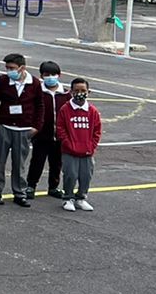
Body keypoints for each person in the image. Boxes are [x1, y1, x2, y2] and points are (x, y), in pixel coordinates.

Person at [0, 53, 42, 208]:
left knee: (19, 163)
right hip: (4, 127)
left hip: (24, 129)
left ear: (22, 68)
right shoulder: (2, 81)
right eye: (7, 68)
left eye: (12, 68)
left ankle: (19, 193)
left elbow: (40, 106)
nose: (9, 71)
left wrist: (36, 127)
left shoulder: (33, 83)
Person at [57, 78, 101, 212]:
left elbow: (97, 131)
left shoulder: (92, 111)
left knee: (86, 175)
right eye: (76, 91)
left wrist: (91, 146)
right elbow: (60, 129)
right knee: (70, 174)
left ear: (88, 92)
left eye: (83, 91)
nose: (80, 93)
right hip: (70, 151)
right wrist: (68, 144)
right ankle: (68, 198)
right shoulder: (65, 109)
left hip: (87, 151)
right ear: (71, 92)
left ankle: (81, 197)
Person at [28, 61, 69, 201]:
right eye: (47, 75)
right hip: (41, 135)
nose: (50, 77)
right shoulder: (37, 92)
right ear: (41, 76)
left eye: (53, 74)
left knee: (56, 163)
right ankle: (31, 186)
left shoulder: (65, 94)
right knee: (37, 161)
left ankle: (53, 187)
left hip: (59, 137)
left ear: (59, 75)